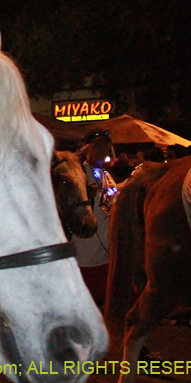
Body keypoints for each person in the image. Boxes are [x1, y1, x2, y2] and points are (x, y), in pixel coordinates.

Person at [69, 130, 116, 307]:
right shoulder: (79, 173)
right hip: (85, 247)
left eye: (106, 145)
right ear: (86, 148)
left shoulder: (106, 175)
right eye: (97, 145)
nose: (103, 150)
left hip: (104, 246)